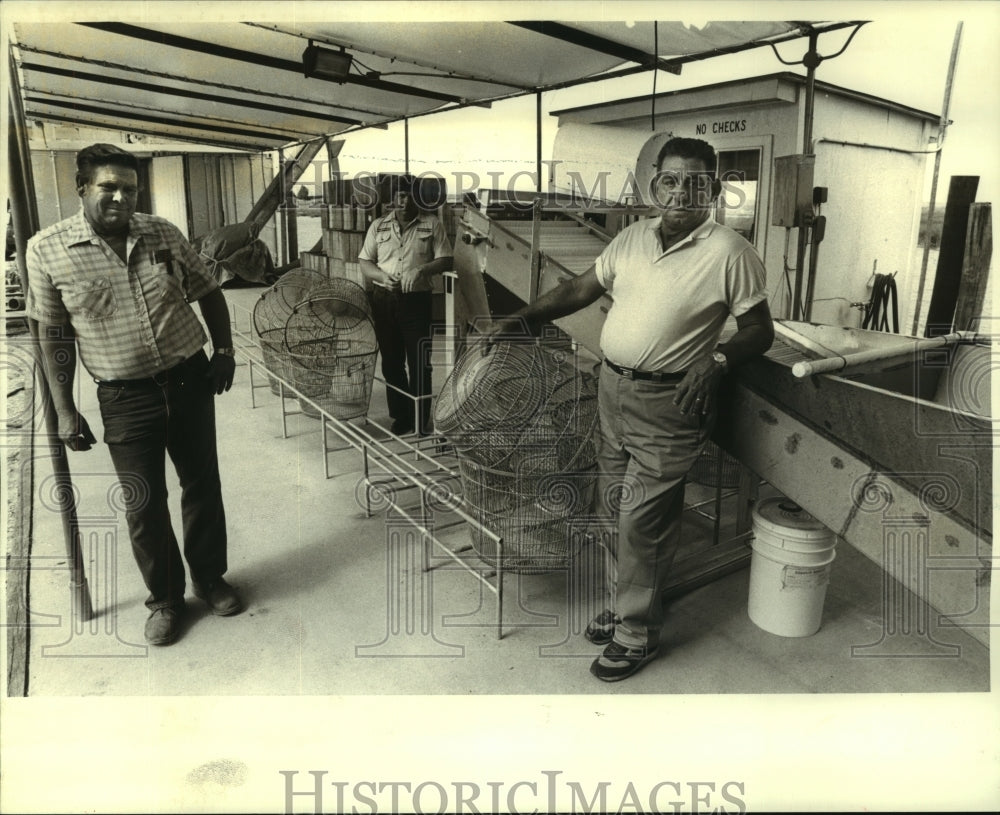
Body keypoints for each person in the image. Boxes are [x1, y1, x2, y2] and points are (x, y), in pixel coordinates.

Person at [485, 137, 774, 681]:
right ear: (653, 186)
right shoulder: (632, 238)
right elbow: (578, 289)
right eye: (670, 180)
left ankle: (636, 634)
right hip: (612, 391)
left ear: (713, 190)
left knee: (643, 519)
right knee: (613, 506)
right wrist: (520, 319)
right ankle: (626, 605)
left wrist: (716, 359)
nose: (681, 192)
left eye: (696, 182)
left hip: (671, 403)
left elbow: (759, 330)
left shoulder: (731, 253)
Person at [26, 143, 243, 647]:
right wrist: (63, 408)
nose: (121, 198)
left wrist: (225, 351)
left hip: (190, 380)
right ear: (81, 189)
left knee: (201, 486)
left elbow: (208, 288)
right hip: (124, 397)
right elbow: (52, 335)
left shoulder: (162, 232)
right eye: (108, 188)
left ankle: (209, 579)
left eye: (129, 188)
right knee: (143, 504)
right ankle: (165, 599)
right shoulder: (46, 249)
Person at [358, 177, 453, 435]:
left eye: (410, 195)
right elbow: (365, 262)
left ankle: (421, 419)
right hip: (384, 300)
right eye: (400, 195)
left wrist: (421, 270)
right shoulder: (378, 227)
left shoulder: (432, 224)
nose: (405, 200)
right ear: (392, 199)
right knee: (392, 362)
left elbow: (446, 259)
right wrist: (381, 277)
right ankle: (401, 416)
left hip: (417, 302)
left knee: (420, 363)